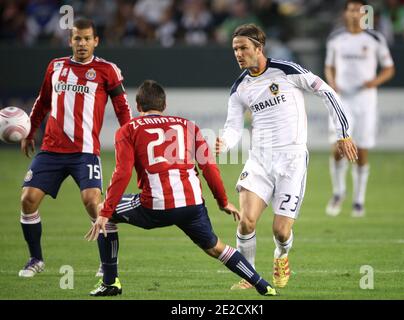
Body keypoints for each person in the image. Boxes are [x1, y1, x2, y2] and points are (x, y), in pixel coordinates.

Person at [85, 80, 277, 297]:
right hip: (192, 206)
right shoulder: (188, 126)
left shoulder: (128, 129)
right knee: (216, 248)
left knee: (104, 212)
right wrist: (222, 201)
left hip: (154, 206)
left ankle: (110, 282)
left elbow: (122, 173)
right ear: (164, 105)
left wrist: (106, 212)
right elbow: (209, 167)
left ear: (138, 106)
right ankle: (262, 284)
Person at [215, 23, 358, 290]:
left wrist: (343, 133)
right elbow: (233, 127)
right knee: (246, 221)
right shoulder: (239, 89)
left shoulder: (287, 71)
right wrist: (224, 143)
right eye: (235, 49)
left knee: (281, 231)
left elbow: (326, 91)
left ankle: (281, 256)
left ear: (259, 48)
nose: (238, 53)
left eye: (243, 48)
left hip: (291, 159)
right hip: (259, 160)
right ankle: (249, 276)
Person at [18, 18, 132, 277]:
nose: (82, 43)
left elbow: (122, 108)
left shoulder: (107, 70)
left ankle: (107, 264)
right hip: (51, 150)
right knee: (27, 199)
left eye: (87, 39)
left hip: (85, 151)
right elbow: (43, 100)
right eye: (77, 38)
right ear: (70, 41)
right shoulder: (56, 67)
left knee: (93, 202)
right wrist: (31, 129)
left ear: (96, 41)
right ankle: (35, 259)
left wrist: (131, 138)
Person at [325, 0, 395, 218]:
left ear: (365, 13)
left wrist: (373, 82)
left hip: (365, 100)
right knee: (338, 148)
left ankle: (358, 200)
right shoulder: (336, 38)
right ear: (346, 13)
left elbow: (389, 68)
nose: (355, 13)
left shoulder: (374, 39)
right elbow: (329, 66)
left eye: (359, 10)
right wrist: (332, 82)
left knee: (362, 151)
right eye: (351, 9)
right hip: (342, 100)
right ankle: (338, 193)